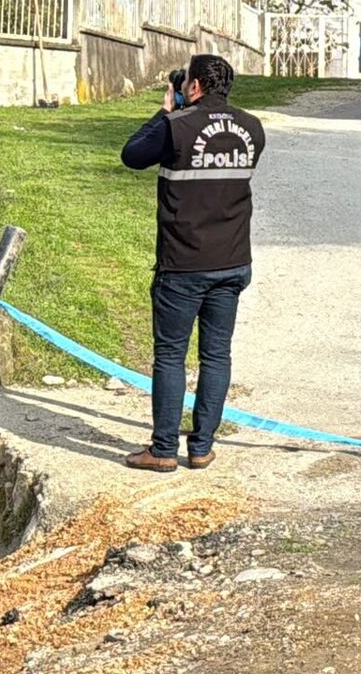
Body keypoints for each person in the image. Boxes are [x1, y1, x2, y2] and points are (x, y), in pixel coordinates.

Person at [119, 54, 266, 472]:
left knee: (171, 355)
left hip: (183, 263)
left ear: (195, 86)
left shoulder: (176, 126)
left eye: (185, 82)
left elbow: (132, 155)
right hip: (232, 260)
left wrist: (165, 112)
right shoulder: (252, 128)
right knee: (216, 356)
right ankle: (201, 447)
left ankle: (164, 449)